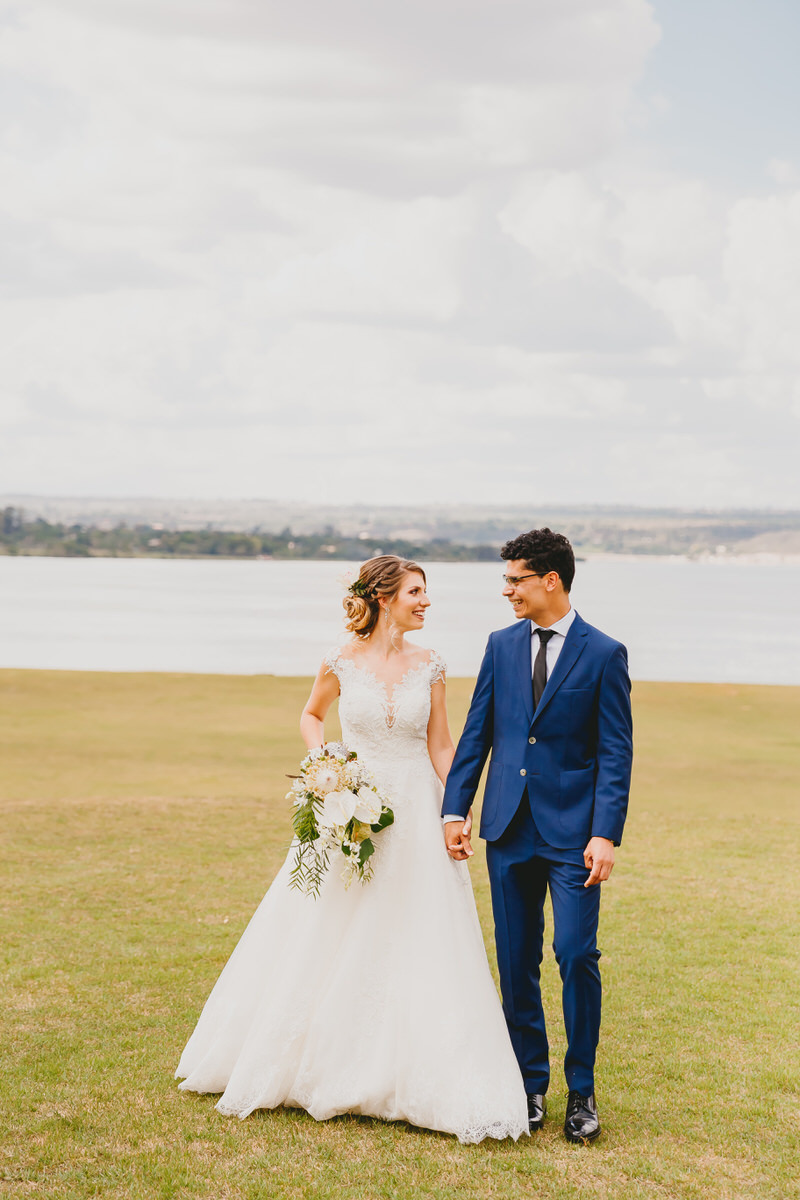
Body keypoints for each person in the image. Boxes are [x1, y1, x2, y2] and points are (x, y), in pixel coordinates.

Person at [176, 555, 528, 1144]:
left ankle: (410, 1067)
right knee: (327, 928)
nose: (426, 602)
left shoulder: (432, 665)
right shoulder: (339, 661)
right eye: (416, 592)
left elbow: (442, 744)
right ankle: (314, 1060)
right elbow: (312, 717)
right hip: (350, 805)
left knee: (416, 930)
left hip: (416, 808)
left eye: (426, 592)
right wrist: (326, 765)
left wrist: (458, 806)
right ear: (386, 597)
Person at [442, 529, 633, 1144]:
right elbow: (478, 733)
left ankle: (582, 1091)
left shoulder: (604, 653)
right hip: (507, 828)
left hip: (575, 835)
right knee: (516, 961)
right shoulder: (499, 646)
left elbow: (614, 754)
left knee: (576, 955)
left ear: (551, 579)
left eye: (516, 580)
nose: (508, 591)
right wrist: (455, 810)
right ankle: (529, 1085)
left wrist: (606, 835)